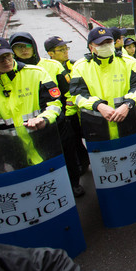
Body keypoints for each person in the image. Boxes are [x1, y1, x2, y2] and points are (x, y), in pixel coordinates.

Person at [0, 37, 62, 176]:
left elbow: (54, 104)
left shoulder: (36, 73)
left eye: (7, 56)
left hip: (44, 142)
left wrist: (44, 118)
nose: (6, 61)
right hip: (10, 151)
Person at [9, 32, 84, 196]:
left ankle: (74, 183)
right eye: (18, 47)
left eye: (27, 46)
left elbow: (67, 93)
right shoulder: (8, 73)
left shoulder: (52, 66)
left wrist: (69, 115)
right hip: (26, 127)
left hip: (58, 120)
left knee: (68, 153)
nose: (24, 50)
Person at [69, 27, 136, 141]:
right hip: (97, 129)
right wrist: (98, 105)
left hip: (130, 124)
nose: (106, 46)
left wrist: (127, 104)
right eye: (101, 43)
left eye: (109, 42)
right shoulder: (80, 67)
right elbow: (77, 94)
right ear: (91, 47)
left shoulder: (128, 62)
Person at [44, 35, 90, 179]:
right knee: (68, 143)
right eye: (61, 49)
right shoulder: (45, 69)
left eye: (66, 48)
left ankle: (84, 163)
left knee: (78, 139)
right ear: (51, 53)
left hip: (77, 112)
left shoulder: (75, 65)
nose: (65, 52)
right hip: (60, 113)